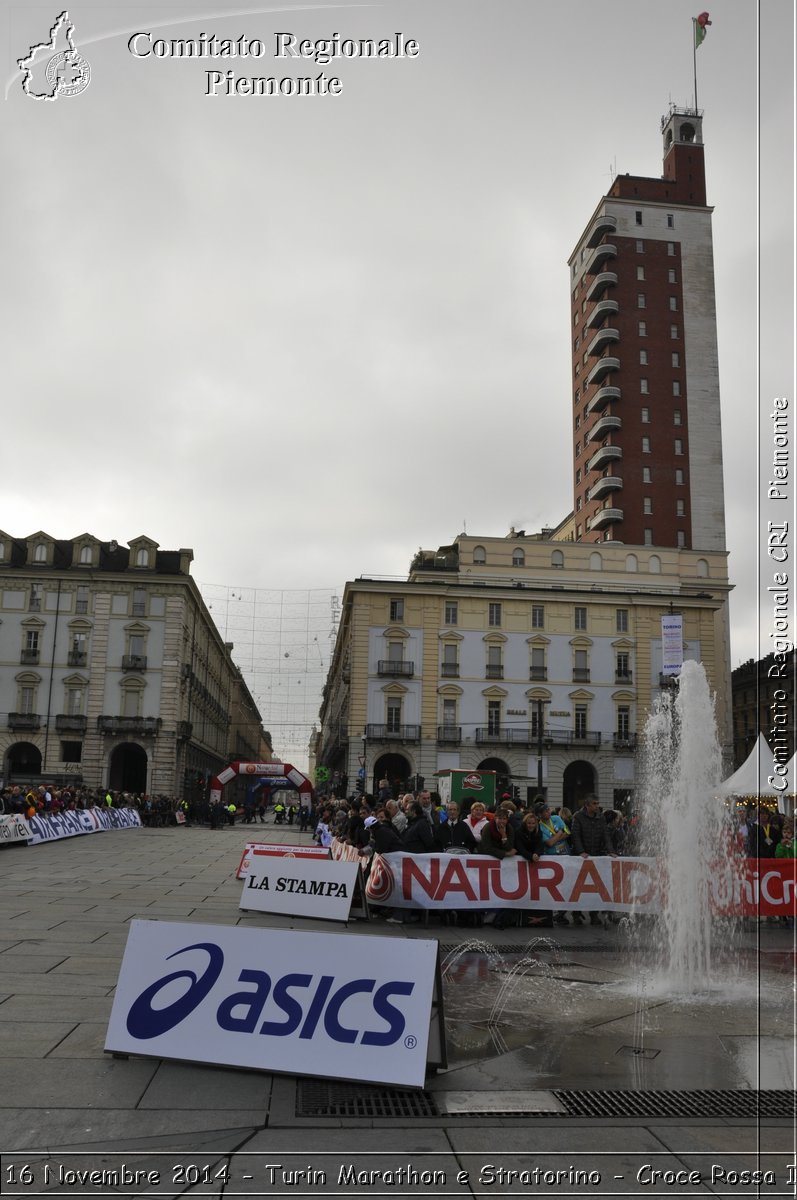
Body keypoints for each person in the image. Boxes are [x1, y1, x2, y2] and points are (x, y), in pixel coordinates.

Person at [570, 795, 618, 926]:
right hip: (580, 857)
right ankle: (576, 914)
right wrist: (580, 851)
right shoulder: (577, 817)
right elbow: (575, 835)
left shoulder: (600, 817)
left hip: (595, 854)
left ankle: (594, 914)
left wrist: (611, 851)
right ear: (587, 805)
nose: (597, 806)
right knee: (578, 887)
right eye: (595, 804)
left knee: (596, 888)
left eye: (598, 803)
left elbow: (605, 835)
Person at [535, 799, 572, 926]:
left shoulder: (556, 818)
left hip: (564, 854)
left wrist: (557, 836)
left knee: (566, 885)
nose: (548, 812)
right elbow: (549, 843)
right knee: (552, 886)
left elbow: (567, 832)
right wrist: (560, 833)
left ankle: (561, 913)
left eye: (548, 809)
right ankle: (550, 912)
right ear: (539, 815)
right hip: (551, 858)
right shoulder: (539, 826)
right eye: (545, 811)